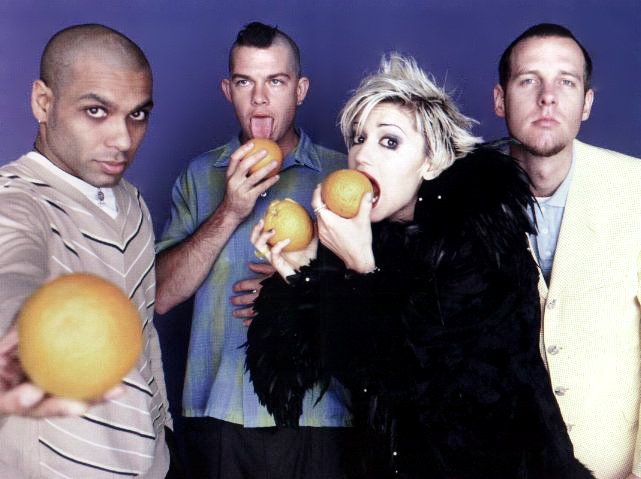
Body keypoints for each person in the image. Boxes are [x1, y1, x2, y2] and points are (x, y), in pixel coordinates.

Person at [246, 53, 593, 478]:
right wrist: (303, 274)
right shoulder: (362, 243)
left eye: (389, 142)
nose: (363, 155)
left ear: (431, 162)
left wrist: (362, 269)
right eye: (358, 139)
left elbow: (436, 387)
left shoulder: (481, 241)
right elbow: (354, 373)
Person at [155, 21, 349, 478]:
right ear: (228, 90)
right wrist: (229, 210)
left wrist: (291, 293)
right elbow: (161, 296)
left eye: (275, 81)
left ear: (300, 89)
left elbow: (380, 290)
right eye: (245, 82)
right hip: (216, 411)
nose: (259, 98)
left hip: (319, 414)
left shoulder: (342, 174)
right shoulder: (199, 175)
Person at [0, 24, 177, 478]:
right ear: (43, 102)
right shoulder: (16, 199)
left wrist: (160, 429)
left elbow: (142, 330)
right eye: (96, 111)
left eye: (137, 115)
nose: (123, 139)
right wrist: (14, 327)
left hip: (146, 464)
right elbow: (12, 264)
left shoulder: (131, 202)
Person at [493, 23, 641, 479]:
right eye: (528, 80)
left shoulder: (635, 191)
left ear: (587, 103)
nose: (547, 97)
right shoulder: (463, 196)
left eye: (566, 82)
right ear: (499, 99)